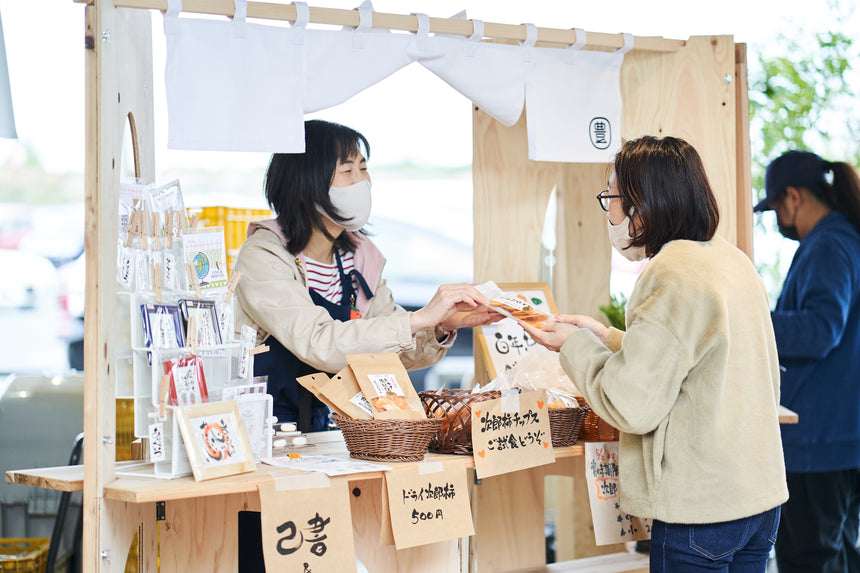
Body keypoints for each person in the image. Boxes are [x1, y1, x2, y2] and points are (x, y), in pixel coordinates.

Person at [520, 136, 788, 572]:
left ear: (641, 206)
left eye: (611, 195)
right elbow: (702, 359)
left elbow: (631, 404)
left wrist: (574, 345)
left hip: (701, 510)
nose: (608, 209)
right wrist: (605, 336)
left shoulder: (669, 273)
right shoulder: (729, 260)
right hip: (757, 499)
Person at [233, 119, 500, 432]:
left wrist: (440, 326)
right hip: (264, 427)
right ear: (306, 183)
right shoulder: (265, 256)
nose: (362, 182)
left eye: (364, 168)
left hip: (329, 424)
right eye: (347, 171)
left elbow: (390, 349)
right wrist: (420, 319)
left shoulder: (358, 257)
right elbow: (318, 342)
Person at [752, 150, 860, 573]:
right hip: (838, 440)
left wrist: (753, 319)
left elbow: (820, 328)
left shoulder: (829, 245)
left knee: (810, 560)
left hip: (819, 443)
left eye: (775, 207)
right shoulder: (845, 238)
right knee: (839, 557)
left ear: (792, 198)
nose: (777, 219)